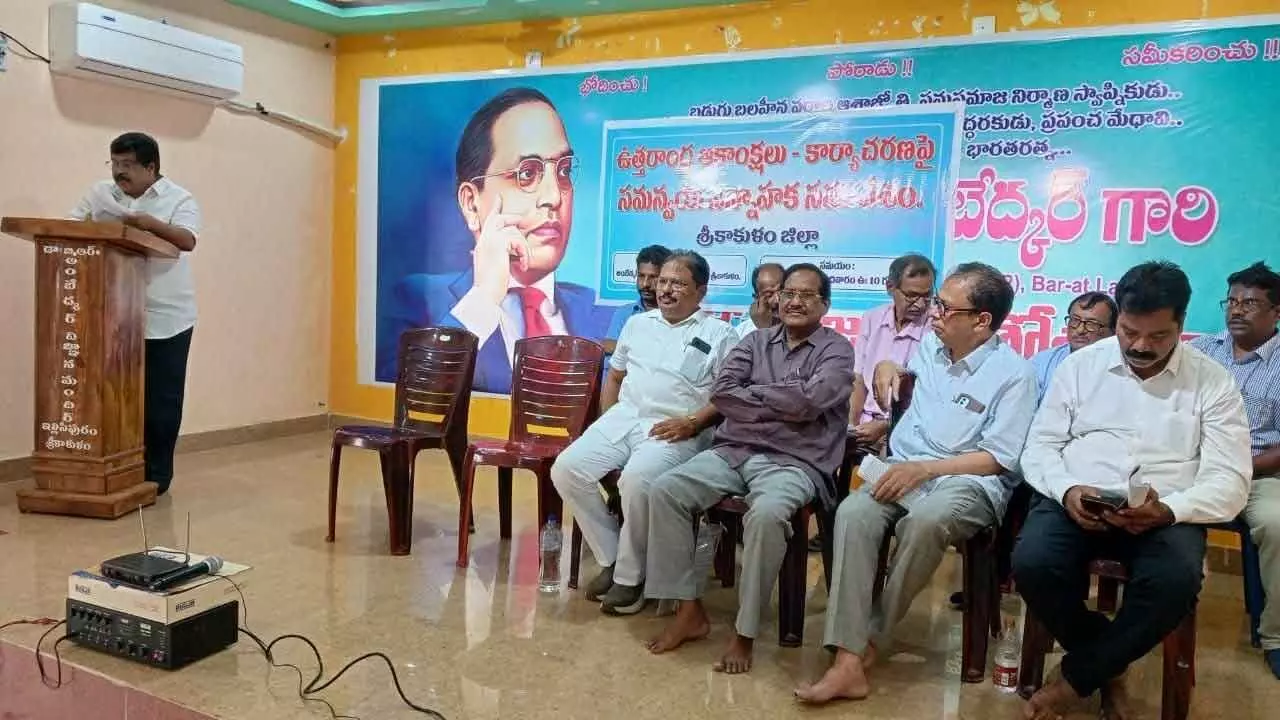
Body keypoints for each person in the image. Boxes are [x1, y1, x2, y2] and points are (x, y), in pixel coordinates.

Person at [1015, 261, 1252, 719]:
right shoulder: (1080, 367)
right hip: (1080, 499)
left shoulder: (1212, 381)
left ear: (1181, 325)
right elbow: (1040, 448)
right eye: (1128, 332)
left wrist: (1169, 510)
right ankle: (1107, 663)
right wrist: (1066, 490)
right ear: (1119, 318)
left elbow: (1231, 480)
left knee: (1175, 581)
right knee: (1032, 562)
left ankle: (1078, 676)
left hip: (1167, 511)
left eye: (1158, 337)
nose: (1140, 346)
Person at [795, 262, 1037, 705]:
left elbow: (999, 458)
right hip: (901, 469)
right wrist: (888, 364)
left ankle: (870, 638)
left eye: (944, 307)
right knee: (853, 513)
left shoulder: (1014, 374)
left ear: (981, 321)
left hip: (966, 481)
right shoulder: (930, 348)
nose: (934, 313)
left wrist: (926, 470)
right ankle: (849, 659)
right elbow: (896, 373)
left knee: (924, 522)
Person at [641, 263, 856, 673]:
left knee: (769, 515)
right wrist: (783, 400)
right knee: (664, 489)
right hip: (735, 451)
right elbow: (723, 393)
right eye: (788, 293)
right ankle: (689, 611)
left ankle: (745, 632)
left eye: (806, 295)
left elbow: (812, 401)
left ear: (825, 305)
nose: (794, 301)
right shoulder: (755, 341)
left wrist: (754, 396)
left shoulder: (836, 349)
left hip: (795, 461)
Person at [380, 87, 607, 394]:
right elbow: (413, 391)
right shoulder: (419, 297)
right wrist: (484, 298)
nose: (554, 197)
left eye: (564, 170)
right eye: (527, 174)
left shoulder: (602, 312)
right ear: (472, 204)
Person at [550, 251, 735, 615]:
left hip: (677, 427)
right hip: (625, 417)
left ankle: (632, 580)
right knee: (567, 469)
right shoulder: (637, 324)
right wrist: (607, 419)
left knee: (635, 480)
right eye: (663, 282)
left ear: (700, 291)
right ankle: (613, 557)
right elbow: (616, 376)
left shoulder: (720, 334)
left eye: (678, 283)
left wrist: (695, 422)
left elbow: (727, 398)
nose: (666, 290)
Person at [70, 132, 200, 496]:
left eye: (127, 166)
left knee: (161, 399)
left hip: (167, 315)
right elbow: (70, 226)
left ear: (151, 167)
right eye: (114, 164)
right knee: (116, 396)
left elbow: (187, 239)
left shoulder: (179, 198)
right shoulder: (100, 194)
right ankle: (120, 467)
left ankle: (158, 476)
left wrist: (144, 222)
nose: (119, 173)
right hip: (112, 313)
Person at [1191, 261, 1280, 679]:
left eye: (1251, 303)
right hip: (1194, 468)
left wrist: (1237, 468)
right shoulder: (1200, 353)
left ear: (1276, 311)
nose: (1237, 310)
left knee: (1276, 523)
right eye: (1233, 301)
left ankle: (1276, 636)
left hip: (1259, 474)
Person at [850, 253, 936, 450]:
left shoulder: (937, 327)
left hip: (909, 430)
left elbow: (930, 397)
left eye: (927, 296)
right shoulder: (872, 318)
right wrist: (851, 426)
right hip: (864, 426)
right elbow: (859, 379)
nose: (921, 304)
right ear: (890, 287)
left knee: (880, 477)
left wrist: (885, 426)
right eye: (912, 296)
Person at [1031, 291, 1118, 403]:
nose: (1080, 330)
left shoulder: (1122, 369)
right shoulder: (1042, 363)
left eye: (1092, 324)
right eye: (1075, 321)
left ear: (1113, 331)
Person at [602, 244, 671, 354]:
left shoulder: (674, 316)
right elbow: (608, 346)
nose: (645, 284)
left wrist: (623, 347)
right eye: (641, 276)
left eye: (653, 277)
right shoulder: (624, 312)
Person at [735, 263, 784, 340]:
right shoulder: (741, 334)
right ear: (756, 298)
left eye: (782, 292)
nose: (777, 300)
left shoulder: (802, 328)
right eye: (769, 295)